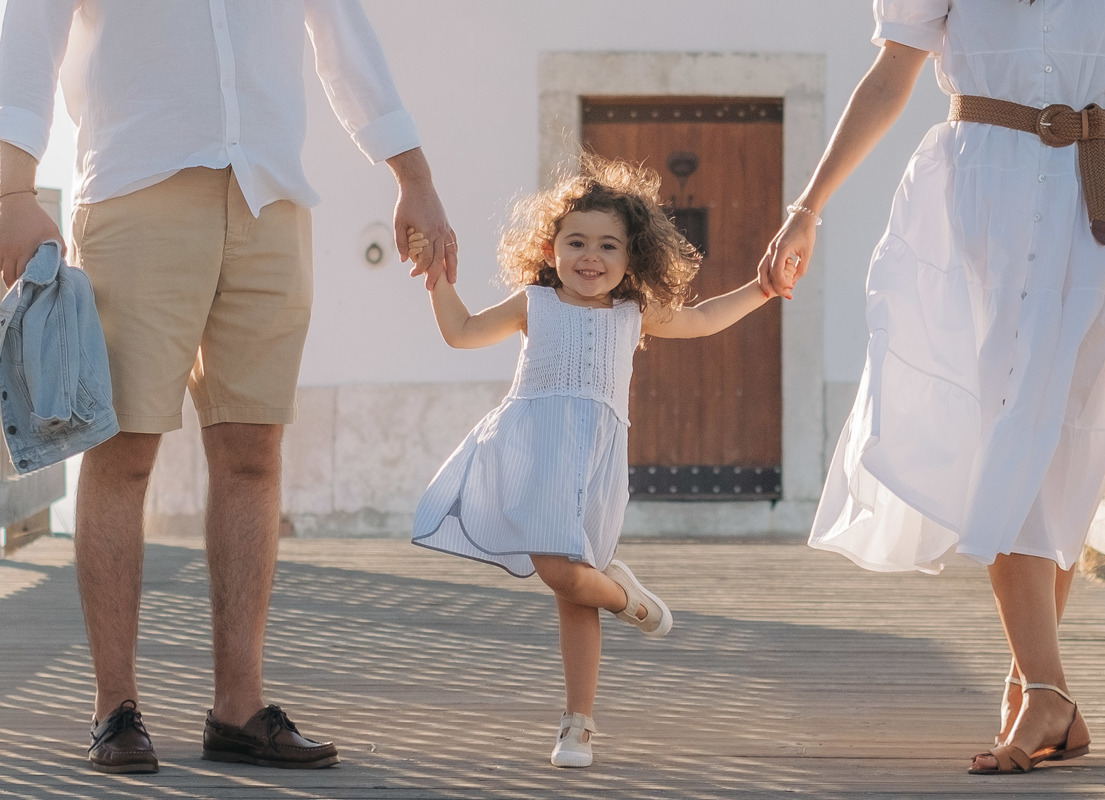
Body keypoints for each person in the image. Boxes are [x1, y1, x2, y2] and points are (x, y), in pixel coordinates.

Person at [0, 0, 455, 775]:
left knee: (254, 450)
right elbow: (27, 26)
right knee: (123, 451)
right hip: (139, 189)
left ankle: (239, 708)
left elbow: (343, 33)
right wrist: (12, 191)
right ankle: (116, 710)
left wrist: (413, 175)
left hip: (272, 201)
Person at [759, 0, 1105, 776]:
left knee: (1057, 445)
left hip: (1099, 212)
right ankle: (1047, 691)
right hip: (984, 201)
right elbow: (892, 77)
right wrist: (806, 207)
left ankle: (1036, 688)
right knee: (1008, 432)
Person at [410, 156, 788, 768]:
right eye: (576, 241)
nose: (591, 256)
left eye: (608, 245)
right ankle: (625, 597)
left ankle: (577, 725)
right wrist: (437, 276)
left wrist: (762, 289)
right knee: (559, 572)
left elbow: (703, 319)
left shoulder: (632, 313)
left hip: (593, 462)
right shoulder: (534, 303)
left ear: (631, 257)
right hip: (534, 453)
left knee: (570, 595)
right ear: (551, 247)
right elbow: (460, 331)